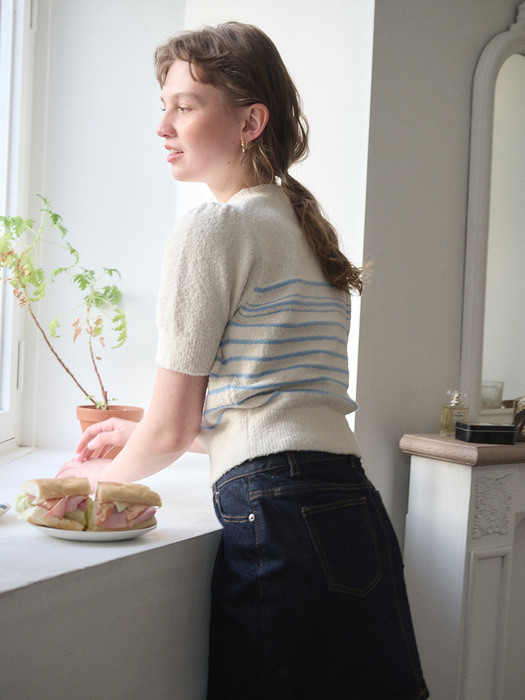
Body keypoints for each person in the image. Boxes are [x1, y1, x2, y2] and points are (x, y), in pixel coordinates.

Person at [58, 21, 429, 700]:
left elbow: (179, 434)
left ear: (249, 121)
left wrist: (80, 495)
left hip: (279, 521)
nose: (163, 125)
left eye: (186, 105)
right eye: (162, 105)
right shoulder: (297, 224)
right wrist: (140, 425)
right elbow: (279, 407)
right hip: (349, 510)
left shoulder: (214, 226)